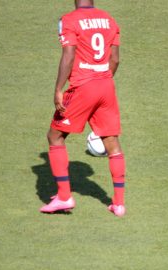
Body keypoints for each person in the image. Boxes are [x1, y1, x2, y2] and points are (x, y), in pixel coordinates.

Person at [40, 0, 127, 217]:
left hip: (83, 86)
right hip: (106, 85)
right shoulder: (109, 19)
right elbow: (114, 59)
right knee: (111, 142)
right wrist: (101, 81)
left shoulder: (69, 20)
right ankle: (118, 204)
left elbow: (69, 55)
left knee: (55, 136)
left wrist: (59, 88)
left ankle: (63, 196)